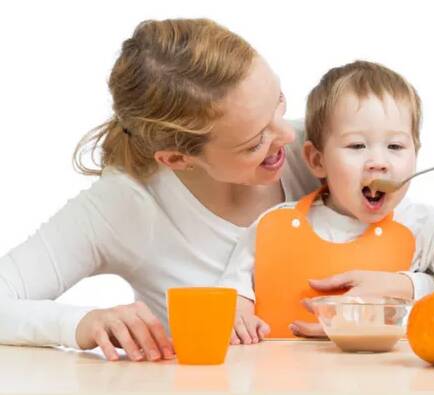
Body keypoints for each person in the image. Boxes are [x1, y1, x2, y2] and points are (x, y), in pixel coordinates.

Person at [0, 18, 321, 362]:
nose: (287, 136)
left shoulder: (323, 153)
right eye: (255, 142)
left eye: (279, 103)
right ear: (178, 159)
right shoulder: (128, 204)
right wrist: (82, 323)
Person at [219, 60, 434, 344]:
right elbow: (233, 294)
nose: (378, 162)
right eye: (357, 146)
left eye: (395, 147)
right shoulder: (272, 226)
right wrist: (238, 310)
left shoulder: (420, 225)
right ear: (317, 160)